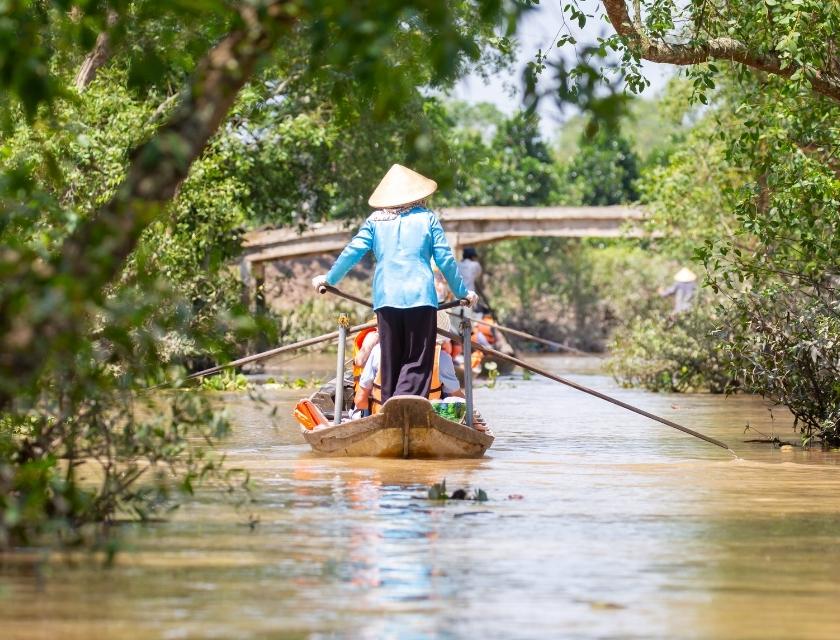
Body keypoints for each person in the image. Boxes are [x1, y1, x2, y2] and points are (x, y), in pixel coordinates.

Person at [312, 164, 478, 406]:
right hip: (421, 299)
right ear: (417, 195)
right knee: (417, 361)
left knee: (390, 360)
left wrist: (329, 279)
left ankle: (390, 406)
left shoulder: (375, 221)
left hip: (386, 299)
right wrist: (463, 293)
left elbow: (352, 252)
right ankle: (405, 405)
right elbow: (445, 260)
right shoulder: (427, 219)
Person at [354, 313, 464, 417]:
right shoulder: (442, 358)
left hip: (385, 419)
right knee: (457, 404)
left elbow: (360, 401)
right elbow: (458, 396)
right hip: (427, 420)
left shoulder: (378, 351)